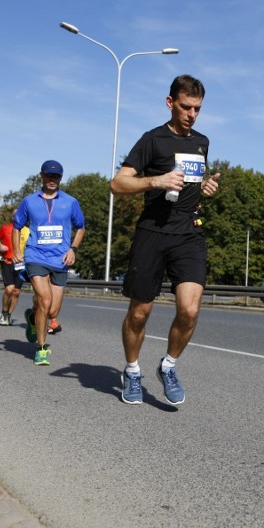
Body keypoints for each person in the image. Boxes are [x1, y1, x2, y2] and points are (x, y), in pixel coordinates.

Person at [110, 74, 221, 406]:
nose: (192, 114)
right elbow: (118, 184)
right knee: (140, 313)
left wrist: (204, 189)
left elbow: (192, 184)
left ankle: (168, 365)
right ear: (171, 103)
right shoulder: (152, 140)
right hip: (152, 233)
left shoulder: (202, 142)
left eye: (198, 109)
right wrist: (156, 180)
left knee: (189, 310)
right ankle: (131, 371)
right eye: (186, 107)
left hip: (188, 233)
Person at [12, 160, 85, 366]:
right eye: (49, 175)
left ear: (61, 179)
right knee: (44, 300)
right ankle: (41, 348)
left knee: (52, 311)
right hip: (36, 256)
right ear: (41, 176)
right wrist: (17, 250)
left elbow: (81, 227)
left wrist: (73, 249)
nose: (52, 180)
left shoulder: (70, 202)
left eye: (57, 176)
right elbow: (17, 226)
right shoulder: (29, 201)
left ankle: (33, 318)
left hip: (60, 259)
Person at [0, 210, 24, 326]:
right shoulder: (5, 228)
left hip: (21, 264)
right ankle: (4, 312)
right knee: (9, 289)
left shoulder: (27, 230)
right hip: (7, 261)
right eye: (15, 215)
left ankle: (9, 315)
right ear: (12, 217)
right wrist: (0, 245)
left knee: (16, 292)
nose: (17, 217)